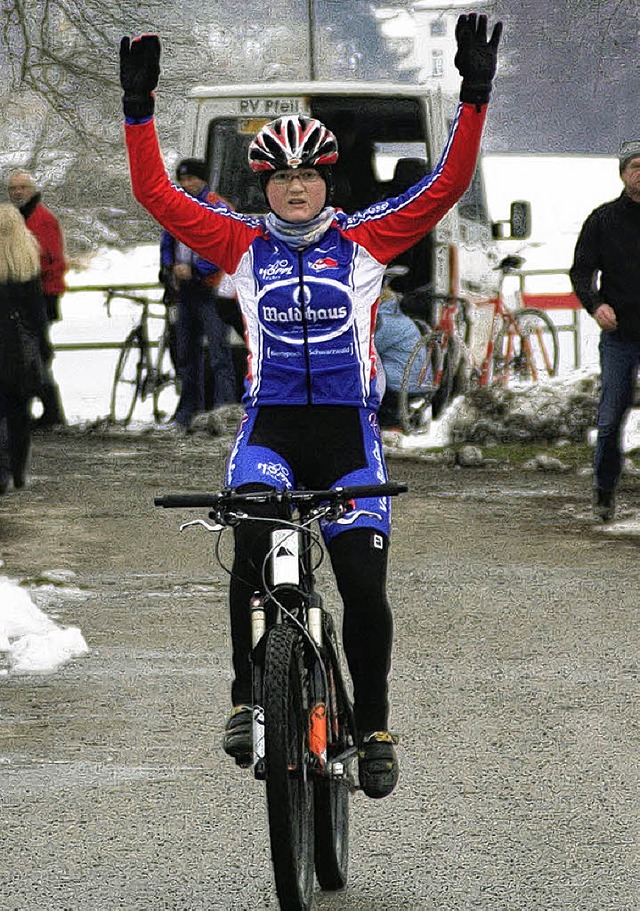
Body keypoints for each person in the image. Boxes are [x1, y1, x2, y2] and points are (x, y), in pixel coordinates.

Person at [119, 12, 502, 799]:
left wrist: (474, 97)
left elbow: (449, 185)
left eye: (309, 177)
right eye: (282, 179)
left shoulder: (368, 237)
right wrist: (138, 111)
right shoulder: (238, 242)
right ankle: (241, 697)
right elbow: (154, 191)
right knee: (252, 542)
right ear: (265, 187)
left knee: (363, 590)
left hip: (348, 436)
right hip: (271, 429)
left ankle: (377, 727)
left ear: (329, 182)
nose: (296, 188)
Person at [570, 140, 640, 523]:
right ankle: (604, 491)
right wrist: (596, 304)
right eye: (635, 167)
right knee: (612, 415)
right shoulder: (604, 219)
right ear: (623, 174)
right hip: (620, 335)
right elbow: (581, 271)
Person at [159, 159, 237, 431]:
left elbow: (225, 247)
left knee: (219, 353)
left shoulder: (218, 207)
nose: (188, 185)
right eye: (183, 180)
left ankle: (225, 410)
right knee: (185, 352)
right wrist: (168, 267)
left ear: (203, 180)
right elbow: (167, 239)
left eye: (193, 179)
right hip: (185, 289)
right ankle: (187, 412)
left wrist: (196, 268)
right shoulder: (176, 207)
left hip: (211, 288)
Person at [7, 169, 67, 429]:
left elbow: (46, 258)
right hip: (26, 294)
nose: (18, 192)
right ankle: (40, 409)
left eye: (22, 187)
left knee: (34, 353)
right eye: (13, 188)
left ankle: (51, 411)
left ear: (32, 190)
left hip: (40, 295)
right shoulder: (20, 218)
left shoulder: (41, 219)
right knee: (27, 353)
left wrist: (15, 268)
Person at [0, 204, 50, 492]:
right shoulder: (26, 262)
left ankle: (1, 471)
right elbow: (37, 313)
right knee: (20, 414)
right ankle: (18, 472)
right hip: (20, 350)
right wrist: (43, 349)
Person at [374, 286, 426, 429]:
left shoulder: (383, 322)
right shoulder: (402, 319)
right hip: (418, 386)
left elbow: (366, 349)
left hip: (398, 388)